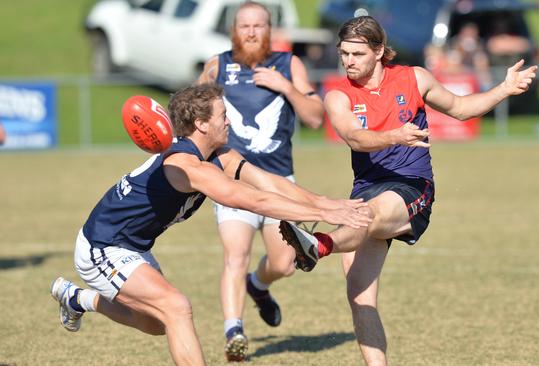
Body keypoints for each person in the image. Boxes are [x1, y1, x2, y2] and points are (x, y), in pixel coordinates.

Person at [49, 84, 371, 366]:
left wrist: (327, 204)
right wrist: (325, 216)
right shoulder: (183, 165)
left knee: (158, 323)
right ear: (201, 124)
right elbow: (252, 200)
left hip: (135, 247)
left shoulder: (218, 153)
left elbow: (268, 183)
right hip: (103, 246)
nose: (229, 120)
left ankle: (79, 299)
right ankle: (81, 297)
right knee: (176, 307)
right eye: (222, 115)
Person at [278, 15, 537, 366]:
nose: (348, 61)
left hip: (411, 188)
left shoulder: (414, 78)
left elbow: (460, 108)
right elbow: (355, 137)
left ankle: (319, 245)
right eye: (344, 54)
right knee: (360, 296)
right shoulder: (337, 95)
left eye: (356, 54)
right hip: (367, 190)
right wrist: (394, 135)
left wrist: (504, 88)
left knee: (366, 216)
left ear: (379, 51)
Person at [196, 2, 325, 361]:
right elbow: (191, 114)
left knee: (285, 262)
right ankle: (233, 331)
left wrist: (286, 87)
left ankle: (259, 285)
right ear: (233, 29)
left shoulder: (289, 64)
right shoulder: (217, 65)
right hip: (232, 183)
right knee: (235, 256)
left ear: (270, 29)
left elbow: (315, 118)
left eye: (258, 25)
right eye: (244, 25)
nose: (251, 32)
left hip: (278, 180)